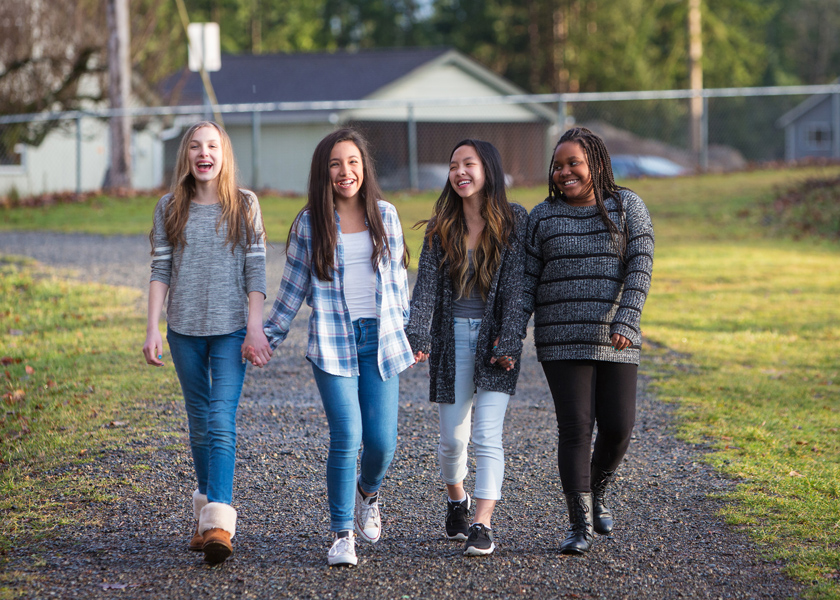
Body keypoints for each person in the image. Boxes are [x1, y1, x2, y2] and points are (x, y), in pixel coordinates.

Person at [247, 128, 414, 568]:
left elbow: (398, 284)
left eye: (353, 162)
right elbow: (292, 290)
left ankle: (368, 493)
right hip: (334, 344)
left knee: (382, 443)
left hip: (380, 342)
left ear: (364, 167)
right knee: (348, 436)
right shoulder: (310, 223)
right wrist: (266, 336)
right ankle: (342, 534)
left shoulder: (386, 215)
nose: (346, 171)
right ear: (325, 171)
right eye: (336, 164)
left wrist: (411, 334)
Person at [142, 121, 271, 565]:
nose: (204, 154)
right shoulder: (169, 207)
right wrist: (152, 327)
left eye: (212, 146)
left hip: (232, 329)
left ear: (224, 154)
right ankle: (205, 520)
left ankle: (218, 524)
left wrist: (256, 326)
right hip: (183, 331)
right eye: (196, 146)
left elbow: (256, 272)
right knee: (199, 422)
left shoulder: (244, 205)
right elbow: (160, 271)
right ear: (186, 156)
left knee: (221, 419)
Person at [522, 126, 654, 554]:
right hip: (560, 337)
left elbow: (640, 265)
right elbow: (525, 283)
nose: (564, 172)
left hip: (617, 334)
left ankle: (598, 489)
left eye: (573, 163)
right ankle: (578, 524)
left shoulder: (627, 205)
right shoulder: (542, 217)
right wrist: (509, 338)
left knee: (619, 426)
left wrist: (627, 318)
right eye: (557, 166)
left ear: (595, 163)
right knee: (576, 427)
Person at [406, 139, 527, 557]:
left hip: (497, 343)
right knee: (453, 441)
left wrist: (510, 338)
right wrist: (417, 333)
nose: (459, 172)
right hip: (451, 339)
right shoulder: (443, 225)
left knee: (487, 434)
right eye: (454, 164)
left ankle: (482, 523)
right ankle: (456, 500)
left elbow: (518, 288)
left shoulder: (514, 221)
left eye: (468, 163)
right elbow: (424, 289)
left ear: (487, 169)